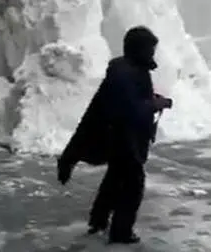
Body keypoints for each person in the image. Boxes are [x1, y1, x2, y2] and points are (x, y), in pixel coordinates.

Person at [57, 26, 172, 244]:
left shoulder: (130, 69)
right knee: (133, 184)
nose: (152, 54)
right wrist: (157, 103)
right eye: (150, 49)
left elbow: (133, 99)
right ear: (139, 49)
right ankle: (121, 232)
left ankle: (98, 220)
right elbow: (132, 108)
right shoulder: (125, 73)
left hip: (122, 136)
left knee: (116, 177)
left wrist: (152, 98)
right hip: (122, 137)